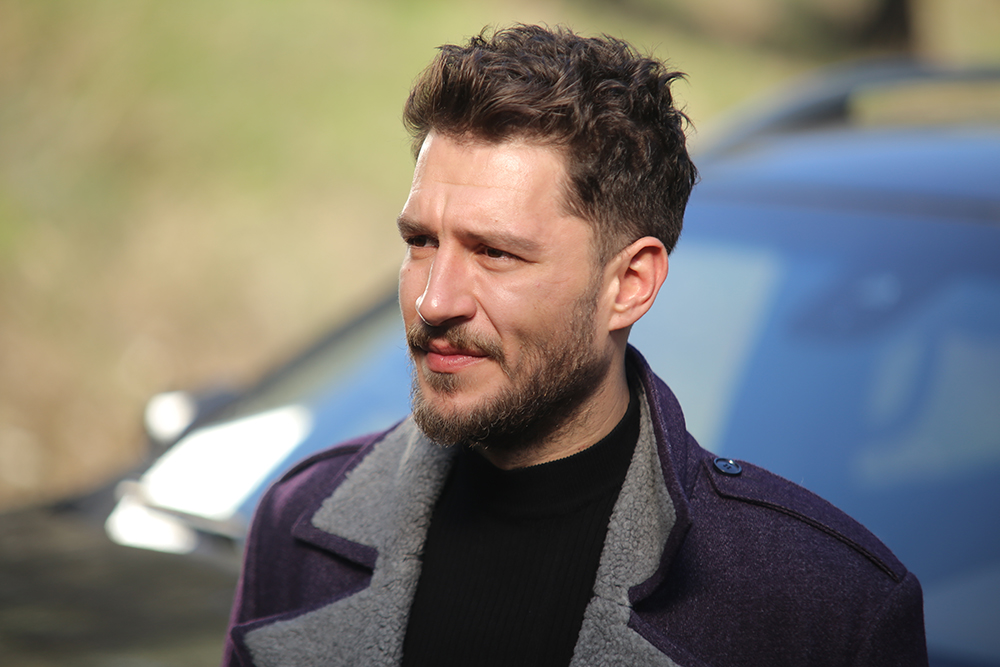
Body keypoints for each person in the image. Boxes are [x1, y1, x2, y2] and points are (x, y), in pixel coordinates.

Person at [222, 24, 927, 667]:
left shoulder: (827, 608)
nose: (435, 301)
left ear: (630, 284)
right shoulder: (297, 523)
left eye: (495, 253)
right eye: (421, 241)